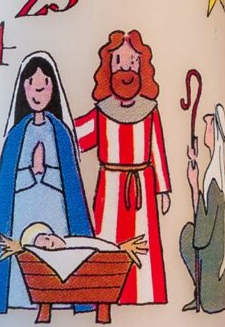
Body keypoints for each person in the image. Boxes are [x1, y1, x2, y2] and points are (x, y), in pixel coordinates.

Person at [0, 52, 84, 316]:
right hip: (23, 208)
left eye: (44, 85)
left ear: (52, 89)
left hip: (55, 208)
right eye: (32, 85)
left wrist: (45, 172)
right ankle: (19, 297)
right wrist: (32, 172)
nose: (38, 91)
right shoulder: (16, 135)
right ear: (23, 88)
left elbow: (70, 182)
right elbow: (8, 183)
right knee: (24, 255)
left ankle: (61, 298)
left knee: (55, 251)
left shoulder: (60, 133)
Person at [72, 30, 172, 308]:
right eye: (119, 62)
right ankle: (106, 297)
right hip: (111, 187)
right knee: (107, 242)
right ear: (108, 67)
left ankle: (146, 294)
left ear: (142, 67)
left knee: (144, 242)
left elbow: (157, 148)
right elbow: (76, 138)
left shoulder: (149, 110)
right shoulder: (103, 111)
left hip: (142, 188)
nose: (126, 69)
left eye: (132, 62)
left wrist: (163, 188)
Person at [178, 102, 225, 314]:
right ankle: (199, 292)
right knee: (187, 234)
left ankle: (205, 293)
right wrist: (195, 180)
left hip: (211, 255)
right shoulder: (212, 172)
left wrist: (194, 184)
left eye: (209, 124)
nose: (205, 129)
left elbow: (203, 236)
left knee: (210, 303)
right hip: (207, 251)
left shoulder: (214, 180)